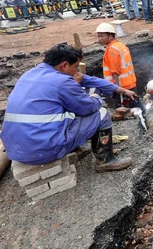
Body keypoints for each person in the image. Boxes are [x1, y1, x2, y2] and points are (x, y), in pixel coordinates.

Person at [0, 44, 135, 171]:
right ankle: (106, 161)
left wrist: (121, 90)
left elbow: (89, 79)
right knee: (101, 113)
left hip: (15, 149)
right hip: (43, 150)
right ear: (64, 65)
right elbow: (86, 108)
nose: (77, 71)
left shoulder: (29, 74)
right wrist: (96, 98)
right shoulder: (62, 82)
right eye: (75, 66)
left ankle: (75, 148)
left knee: (64, 110)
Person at [96, 23, 137, 102]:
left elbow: (115, 73)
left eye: (102, 36)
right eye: (98, 36)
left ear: (111, 36)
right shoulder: (121, 45)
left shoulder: (112, 50)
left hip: (122, 87)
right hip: (130, 83)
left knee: (123, 111)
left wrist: (116, 90)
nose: (99, 39)